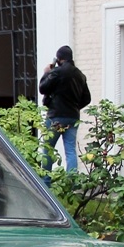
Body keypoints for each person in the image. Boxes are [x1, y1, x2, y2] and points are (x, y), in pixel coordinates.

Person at [37, 45, 91, 173]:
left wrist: (46, 73)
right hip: (72, 117)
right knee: (70, 150)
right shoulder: (80, 75)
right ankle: (71, 183)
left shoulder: (57, 72)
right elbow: (87, 99)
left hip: (56, 116)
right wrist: (74, 107)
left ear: (59, 59)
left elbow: (43, 88)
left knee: (48, 149)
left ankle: (46, 182)